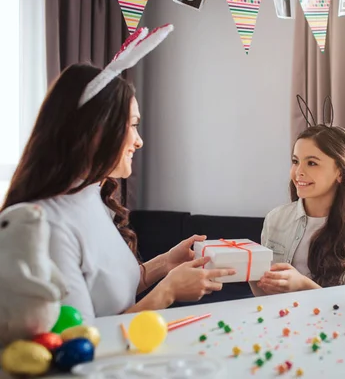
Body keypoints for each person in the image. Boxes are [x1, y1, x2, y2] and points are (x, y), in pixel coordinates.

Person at [1, 26, 235, 323]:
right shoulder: (48, 226)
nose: (139, 141)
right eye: (132, 125)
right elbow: (76, 340)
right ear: (95, 132)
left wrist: (165, 263)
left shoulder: (90, 199)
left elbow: (109, 289)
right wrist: (167, 293)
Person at [252, 124, 345, 295]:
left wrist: (303, 285)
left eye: (312, 163)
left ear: (340, 173)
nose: (298, 172)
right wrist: (248, 272)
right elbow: (263, 296)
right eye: (295, 161)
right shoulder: (275, 218)